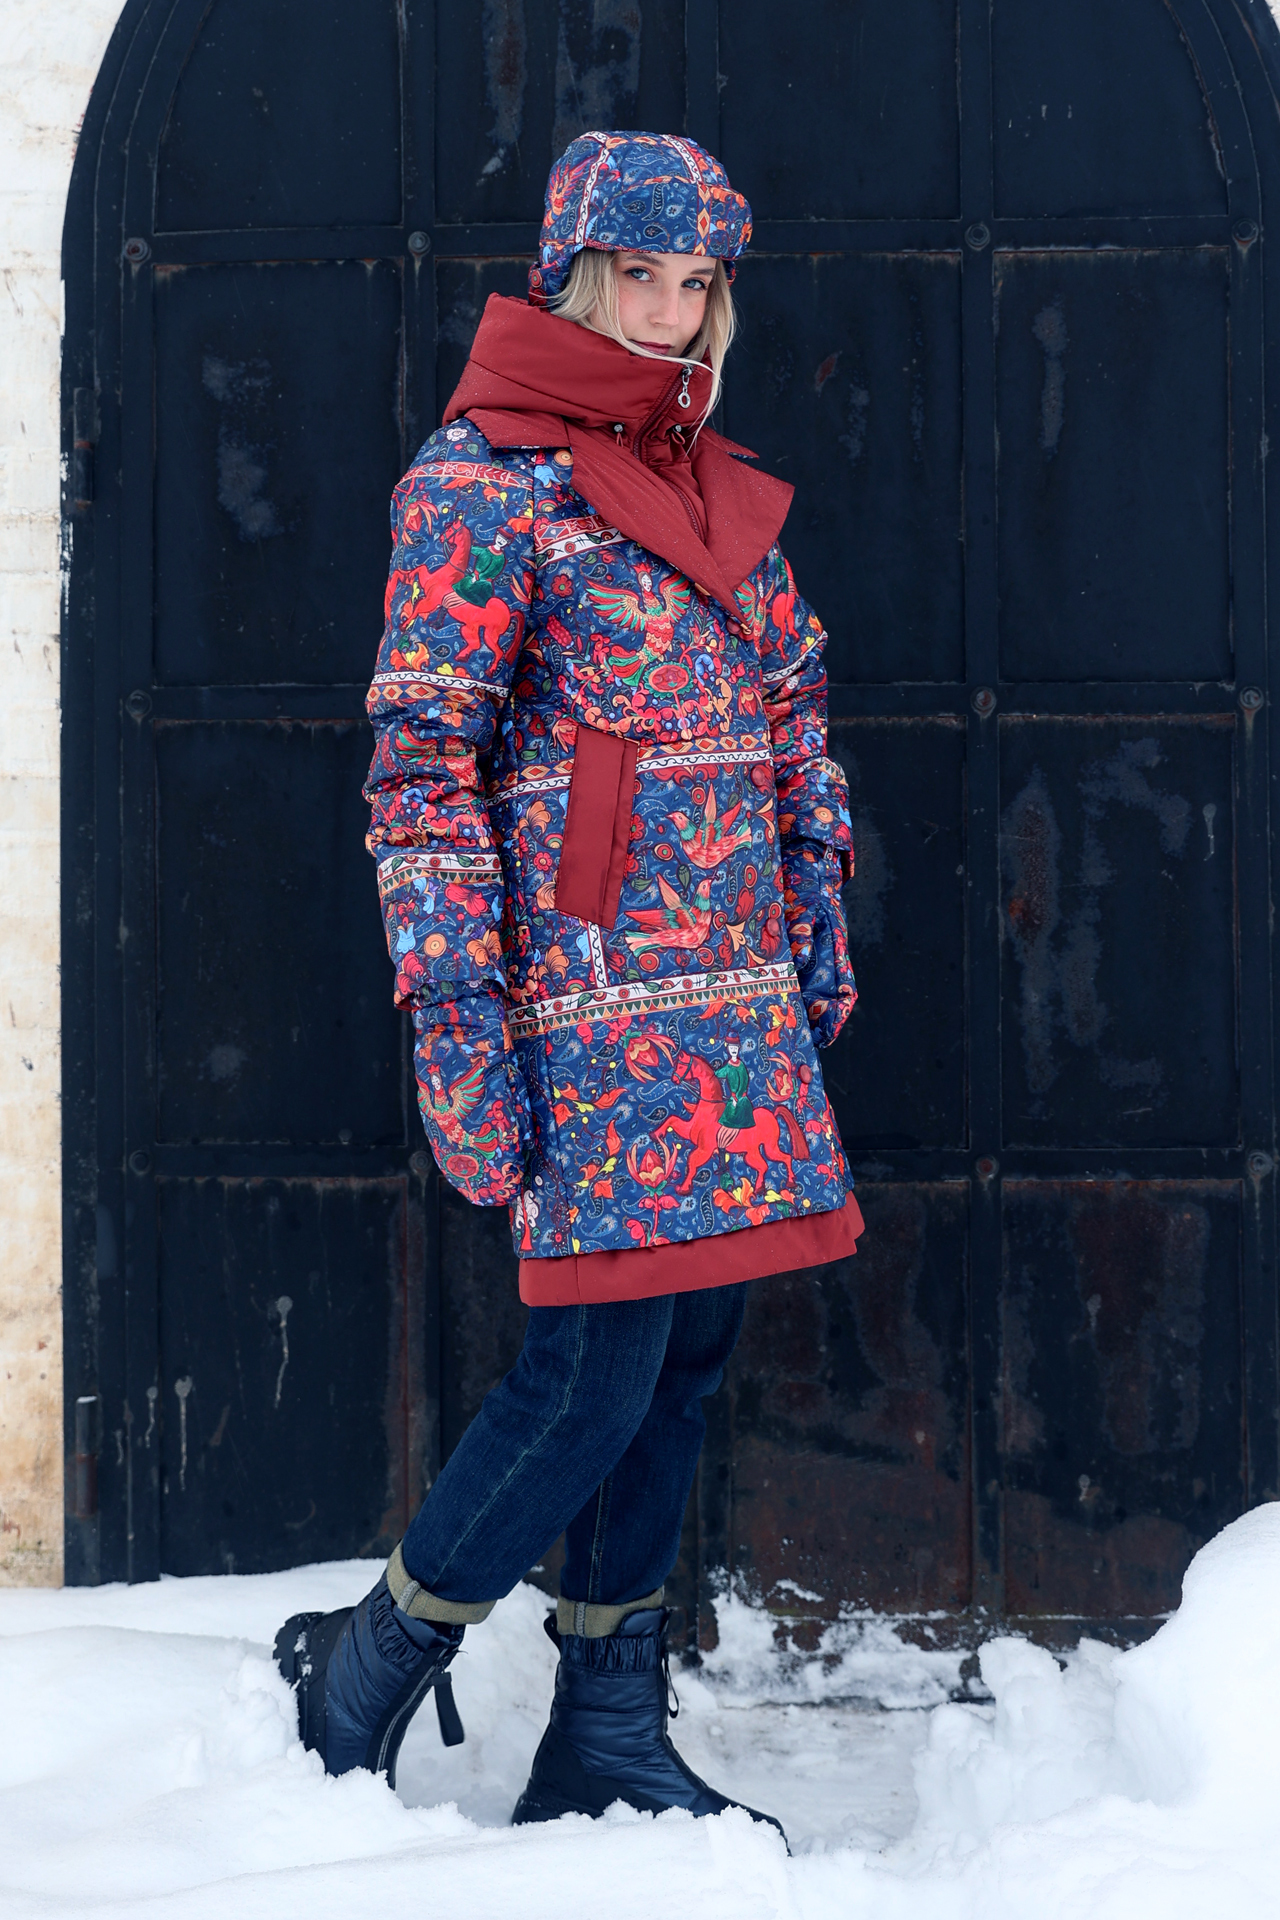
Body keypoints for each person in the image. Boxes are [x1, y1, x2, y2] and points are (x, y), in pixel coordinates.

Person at [275, 130, 862, 1839]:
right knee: (589, 1377)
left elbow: (793, 705)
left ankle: (603, 1729)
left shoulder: (702, 473)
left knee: (684, 1362)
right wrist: (456, 1016)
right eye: (641, 279)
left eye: (697, 285)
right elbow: (419, 772)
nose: (670, 315)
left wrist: (816, 888)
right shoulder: (483, 481)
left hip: (732, 1010)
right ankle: (369, 1664)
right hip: (586, 1009)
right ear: (576, 275)